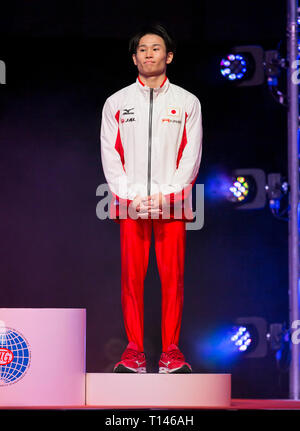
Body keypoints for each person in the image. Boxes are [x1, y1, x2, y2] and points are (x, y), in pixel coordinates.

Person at [100, 23, 203, 373]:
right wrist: (132, 197)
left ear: (169, 56)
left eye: (155, 48)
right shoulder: (117, 102)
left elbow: (191, 155)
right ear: (134, 58)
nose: (148, 54)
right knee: (132, 280)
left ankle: (171, 352)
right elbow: (110, 156)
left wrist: (168, 195)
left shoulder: (187, 102)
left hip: (172, 206)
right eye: (142, 49)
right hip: (131, 207)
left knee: (172, 281)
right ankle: (134, 353)